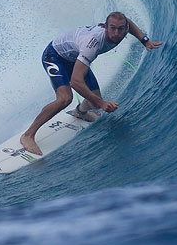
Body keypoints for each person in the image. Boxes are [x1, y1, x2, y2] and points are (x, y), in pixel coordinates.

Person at [20, 11, 162, 155]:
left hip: (75, 58)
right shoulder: (92, 44)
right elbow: (75, 82)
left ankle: (80, 112)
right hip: (55, 56)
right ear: (106, 27)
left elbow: (128, 22)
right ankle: (28, 135)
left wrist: (144, 41)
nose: (116, 33)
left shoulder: (121, 28)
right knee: (65, 99)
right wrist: (102, 103)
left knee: (93, 102)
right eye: (112, 28)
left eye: (120, 29)